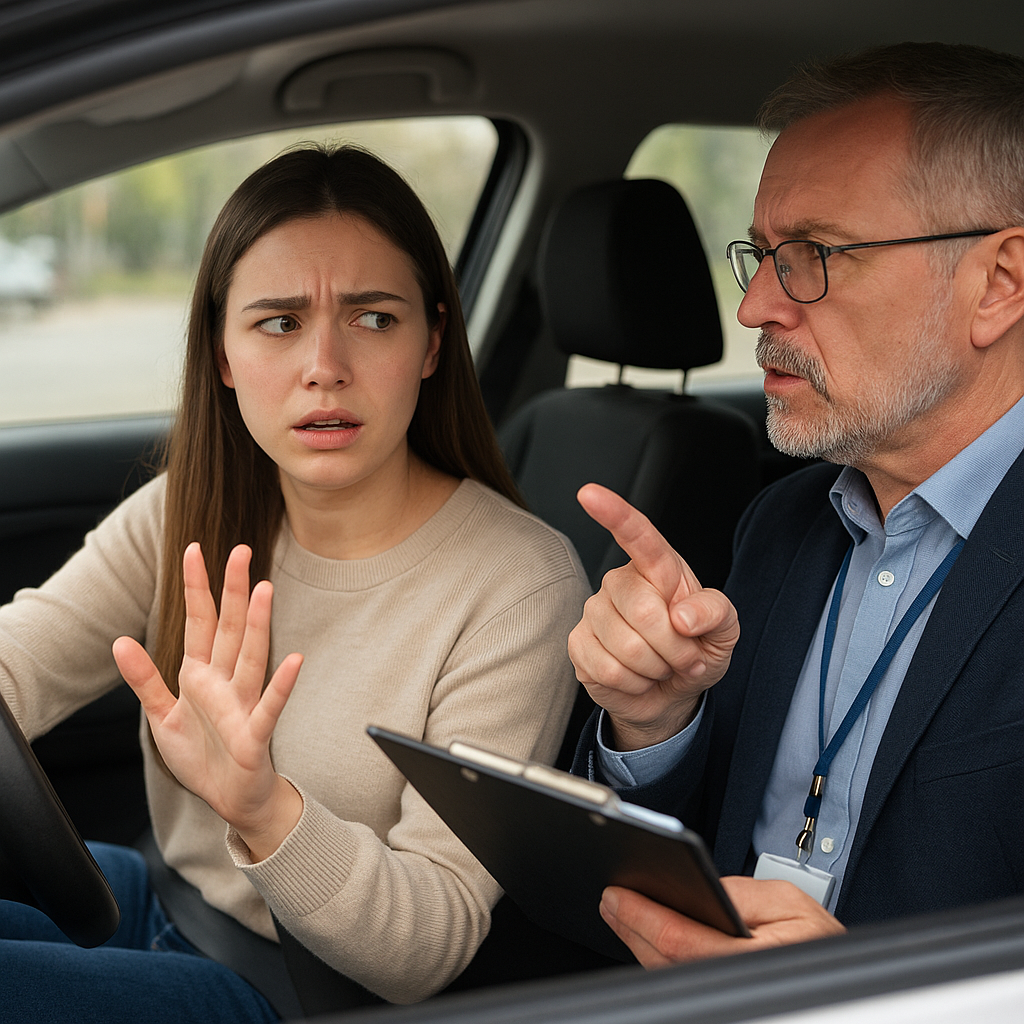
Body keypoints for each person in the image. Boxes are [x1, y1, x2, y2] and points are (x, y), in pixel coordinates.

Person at [0, 144, 587, 1020]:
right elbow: (16, 664)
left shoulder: (517, 587)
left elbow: (432, 939)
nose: (324, 365)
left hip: (299, 989)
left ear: (432, 342)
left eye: (374, 319)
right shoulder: (187, 509)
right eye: (278, 322)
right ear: (224, 354)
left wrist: (263, 807)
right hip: (169, 900)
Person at [567, 41, 1024, 967]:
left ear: (999, 285)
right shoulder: (782, 525)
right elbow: (694, 853)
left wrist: (865, 994)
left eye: (814, 254)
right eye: (763, 256)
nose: (756, 308)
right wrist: (654, 724)